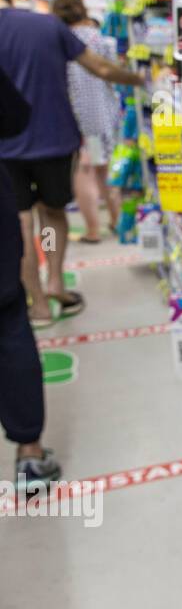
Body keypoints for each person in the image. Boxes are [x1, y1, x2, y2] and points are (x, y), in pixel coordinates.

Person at [0, 0, 144, 328]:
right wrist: (142, 80)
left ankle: (37, 305)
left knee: (22, 222)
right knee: (52, 214)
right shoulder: (47, 25)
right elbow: (103, 69)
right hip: (54, 141)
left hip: (6, 149)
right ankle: (55, 283)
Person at [0, 60, 55, 487]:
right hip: (44, 155)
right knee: (8, 323)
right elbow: (14, 115)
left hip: (23, 170)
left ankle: (47, 287)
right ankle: (30, 454)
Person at [52, 0, 122, 243]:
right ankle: (117, 220)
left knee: (85, 174)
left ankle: (93, 229)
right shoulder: (102, 40)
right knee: (107, 171)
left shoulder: (61, 42)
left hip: (78, 118)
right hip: (106, 114)